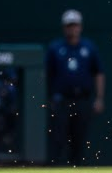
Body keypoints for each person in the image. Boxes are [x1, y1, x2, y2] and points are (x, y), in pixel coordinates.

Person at [45, 9, 105, 164]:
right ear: (64, 27)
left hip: (82, 99)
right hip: (62, 100)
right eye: (69, 25)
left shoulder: (89, 47)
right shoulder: (55, 48)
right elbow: (47, 74)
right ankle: (54, 171)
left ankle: (77, 170)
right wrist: (49, 98)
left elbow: (98, 73)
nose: (72, 29)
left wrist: (99, 98)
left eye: (75, 25)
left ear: (80, 27)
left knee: (79, 139)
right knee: (58, 138)